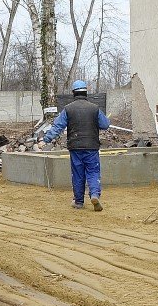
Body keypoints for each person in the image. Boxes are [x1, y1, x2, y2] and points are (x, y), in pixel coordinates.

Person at [38, 80, 111, 211]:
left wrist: (46, 140)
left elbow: (57, 127)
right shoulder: (94, 108)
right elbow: (105, 124)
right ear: (86, 92)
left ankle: (78, 202)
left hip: (75, 147)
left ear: (73, 93)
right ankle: (94, 194)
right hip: (92, 147)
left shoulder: (68, 109)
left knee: (77, 174)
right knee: (93, 172)